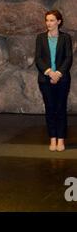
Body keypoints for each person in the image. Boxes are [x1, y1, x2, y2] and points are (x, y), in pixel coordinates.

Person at [35, 9, 73, 152]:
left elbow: (68, 58)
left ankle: (61, 140)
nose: (48, 23)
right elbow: (38, 59)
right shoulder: (40, 38)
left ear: (59, 22)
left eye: (51, 20)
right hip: (45, 79)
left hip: (62, 80)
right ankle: (52, 139)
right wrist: (50, 73)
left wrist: (58, 74)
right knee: (50, 109)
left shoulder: (66, 38)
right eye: (47, 20)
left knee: (61, 109)